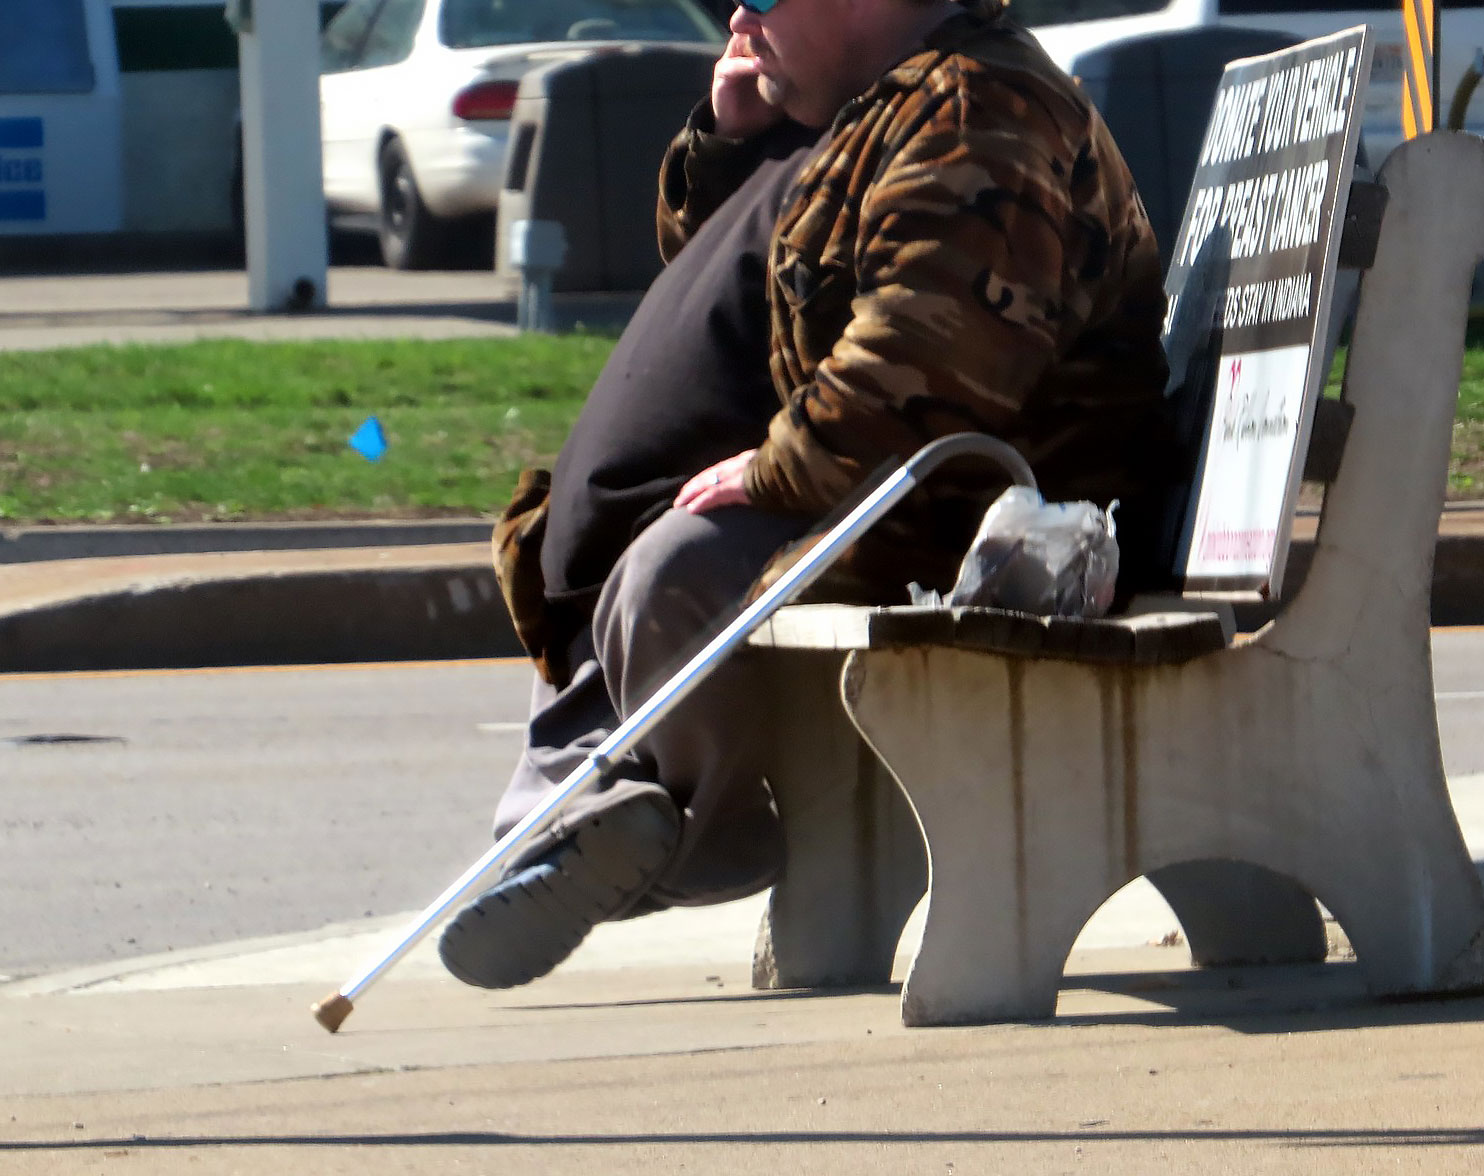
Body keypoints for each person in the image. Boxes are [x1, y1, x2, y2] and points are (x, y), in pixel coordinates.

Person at [437, 0, 1174, 990]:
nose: (740, 12)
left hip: (960, 520)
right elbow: (743, 283)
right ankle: (572, 825)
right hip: (882, 494)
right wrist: (730, 145)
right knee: (625, 549)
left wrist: (770, 470)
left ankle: (695, 831)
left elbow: (928, 361)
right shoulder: (871, 108)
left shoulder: (975, 113)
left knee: (683, 567)